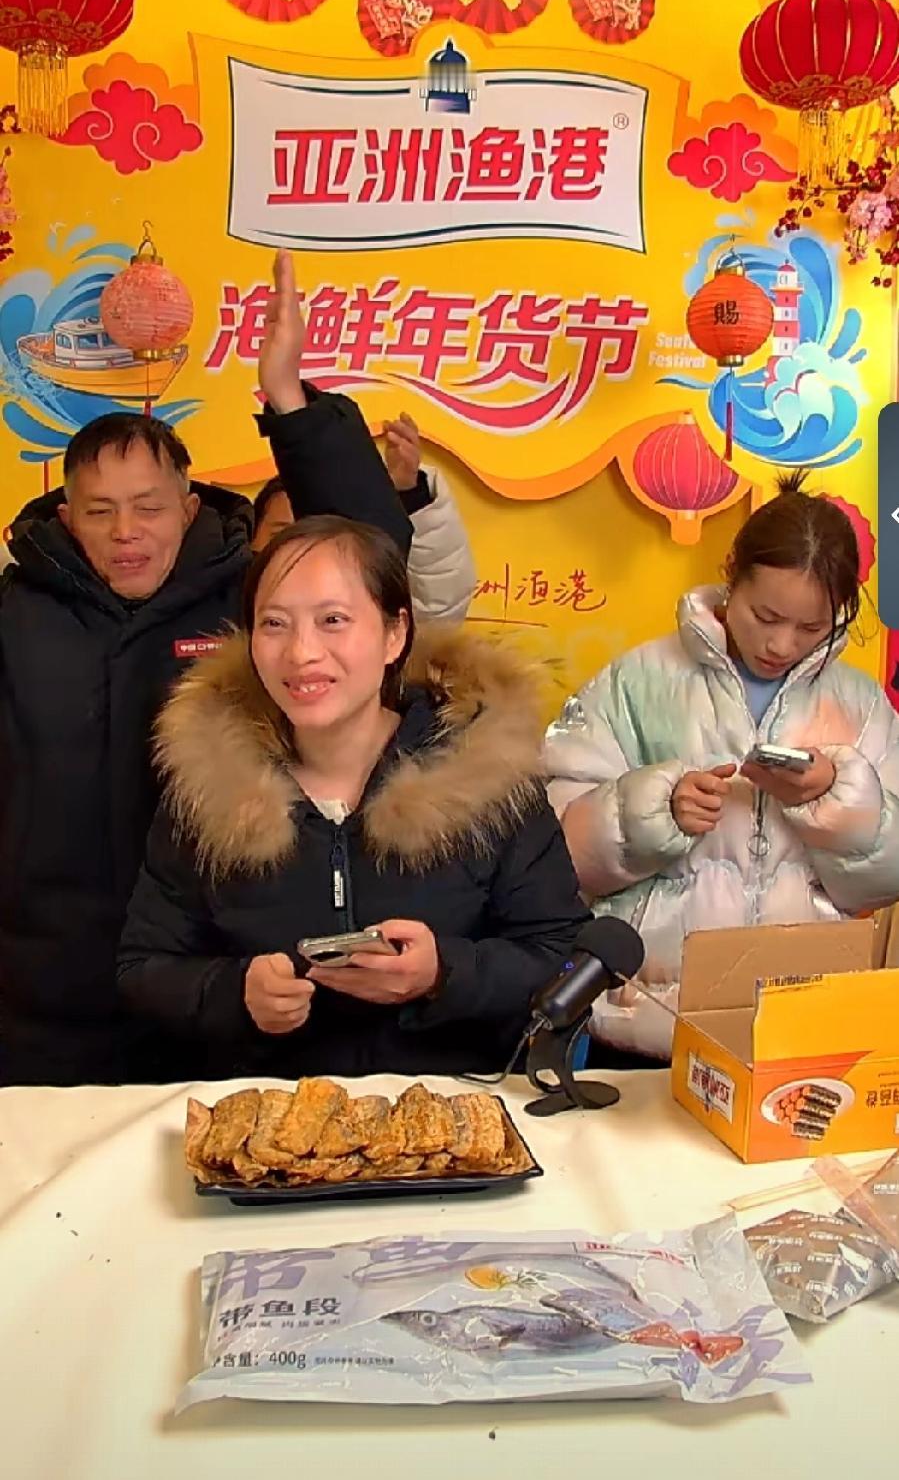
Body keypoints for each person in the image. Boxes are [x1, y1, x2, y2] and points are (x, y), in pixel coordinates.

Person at [0, 251, 434, 1086]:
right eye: (100, 511)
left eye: (149, 507)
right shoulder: (17, 613)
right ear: (67, 517)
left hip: (216, 981)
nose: (127, 531)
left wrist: (288, 400)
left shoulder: (249, 600)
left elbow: (371, 547)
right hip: (41, 990)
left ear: (189, 506)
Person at [118, 516, 589, 1078]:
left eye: (333, 620)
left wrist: (444, 973)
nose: (301, 653)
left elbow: (563, 953)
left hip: (450, 1112)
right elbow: (143, 968)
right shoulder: (207, 785)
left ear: (395, 634)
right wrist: (236, 993)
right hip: (273, 1116)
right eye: (274, 624)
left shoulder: (488, 774)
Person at [545, 472, 899, 1060]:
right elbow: (551, 852)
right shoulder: (636, 681)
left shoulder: (861, 705)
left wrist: (835, 802)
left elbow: (887, 877)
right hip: (649, 1013)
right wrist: (656, 812)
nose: (782, 645)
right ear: (732, 573)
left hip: (800, 1019)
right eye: (766, 615)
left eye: (811, 628)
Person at [253, 411, 477, 623]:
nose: (300, 555)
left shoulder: (370, 620)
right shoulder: (235, 606)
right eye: (282, 536)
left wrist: (404, 497)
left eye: (319, 542)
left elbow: (436, 609)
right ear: (252, 539)